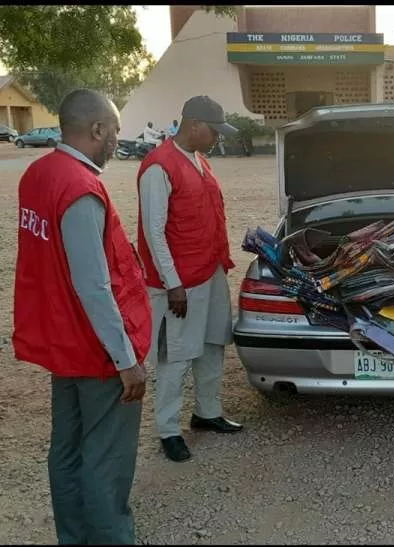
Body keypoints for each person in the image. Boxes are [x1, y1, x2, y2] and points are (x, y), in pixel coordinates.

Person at [13, 89, 152, 544]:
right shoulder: (80, 187)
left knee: (68, 451)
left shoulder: (38, 174)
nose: (117, 139)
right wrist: (125, 359)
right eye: (113, 130)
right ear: (97, 130)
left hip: (62, 344)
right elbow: (93, 284)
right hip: (95, 353)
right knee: (104, 459)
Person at [136, 95, 242, 463]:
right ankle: (168, 429)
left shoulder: (199, 160)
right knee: (176, 355)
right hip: (180, 281)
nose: (216, 138)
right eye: (213, 131)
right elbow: (154, 231)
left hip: (209, 270)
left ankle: (207, 412)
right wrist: (172, 283)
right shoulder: (158, 167)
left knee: (213, 343)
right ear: (194, 124)